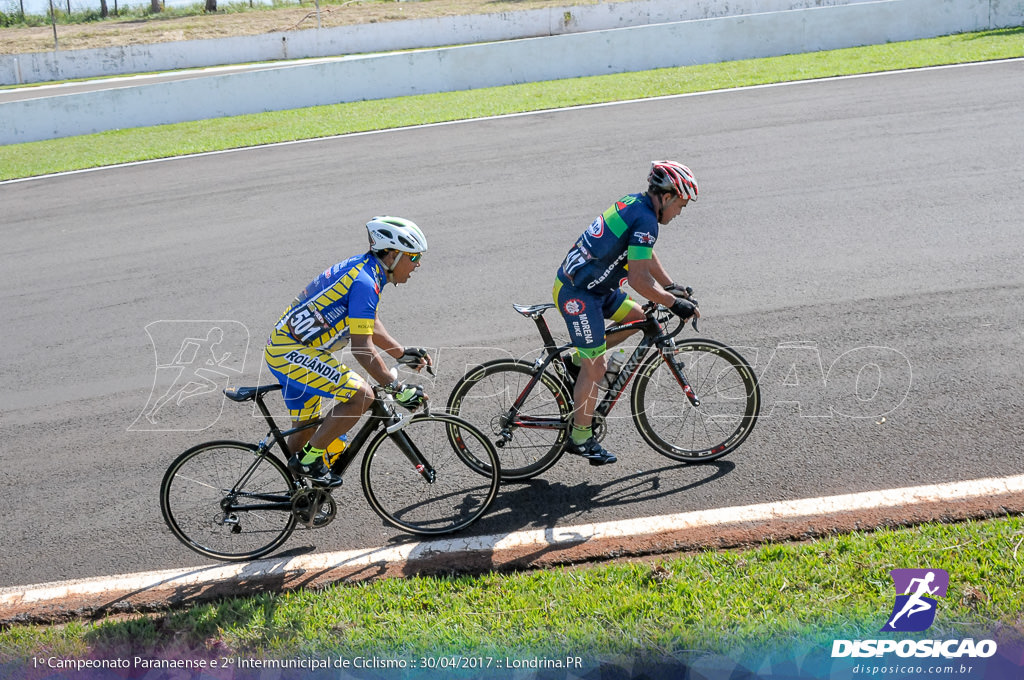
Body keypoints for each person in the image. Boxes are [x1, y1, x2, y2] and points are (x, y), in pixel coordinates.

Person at [264, 216, 434, 486]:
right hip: (292, 353)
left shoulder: (365, 270)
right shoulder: (366, 282)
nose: (418, 264)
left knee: (306, 429)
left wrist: (400, 353)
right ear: (392, 255)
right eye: (413, 257)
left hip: (286, 349)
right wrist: (397, 387)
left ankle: (299, 495)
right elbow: (361, 347)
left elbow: (368, 323)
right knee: (360, 396)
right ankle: (309, 461)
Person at [553, 161, 700, 465]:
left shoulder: (637, 205)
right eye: (682, 205)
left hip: (593, 289)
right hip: (579, 295)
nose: (680, 212)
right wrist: (673, 303)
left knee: (637, 319)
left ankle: (575, 362)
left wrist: (669, 286)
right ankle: (580, 438)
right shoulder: (646, 218)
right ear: (669, 196)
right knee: (597, 367)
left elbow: (644, 252)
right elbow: (637, 279)